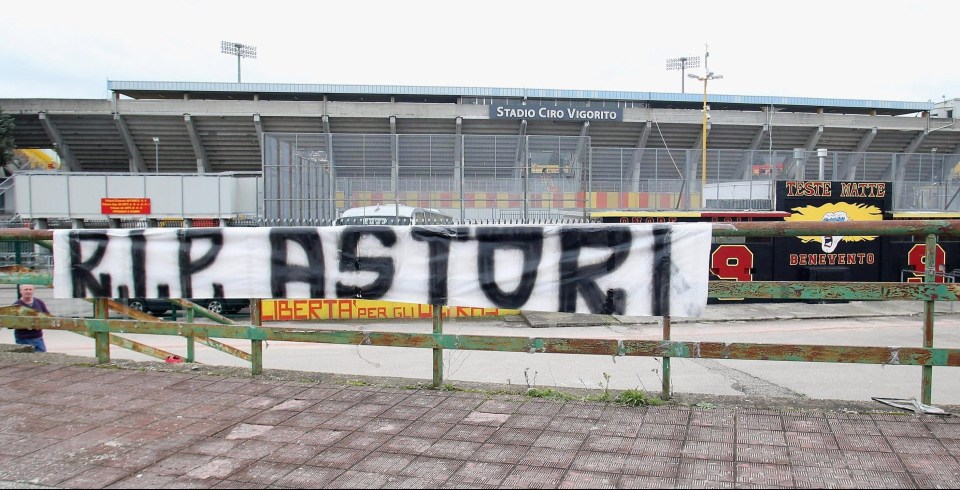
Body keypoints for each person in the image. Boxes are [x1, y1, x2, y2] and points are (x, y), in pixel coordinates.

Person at [12, 284, 48, 352]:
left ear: (33, 291)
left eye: (30, 289)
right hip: (23, 339)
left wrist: (42, 324)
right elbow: (10, 324)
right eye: (26, 289)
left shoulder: (39, 302)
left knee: (41, 358)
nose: (28, 291)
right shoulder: (16, 306)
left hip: (38, 338)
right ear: (21, 291)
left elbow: (47, 317)